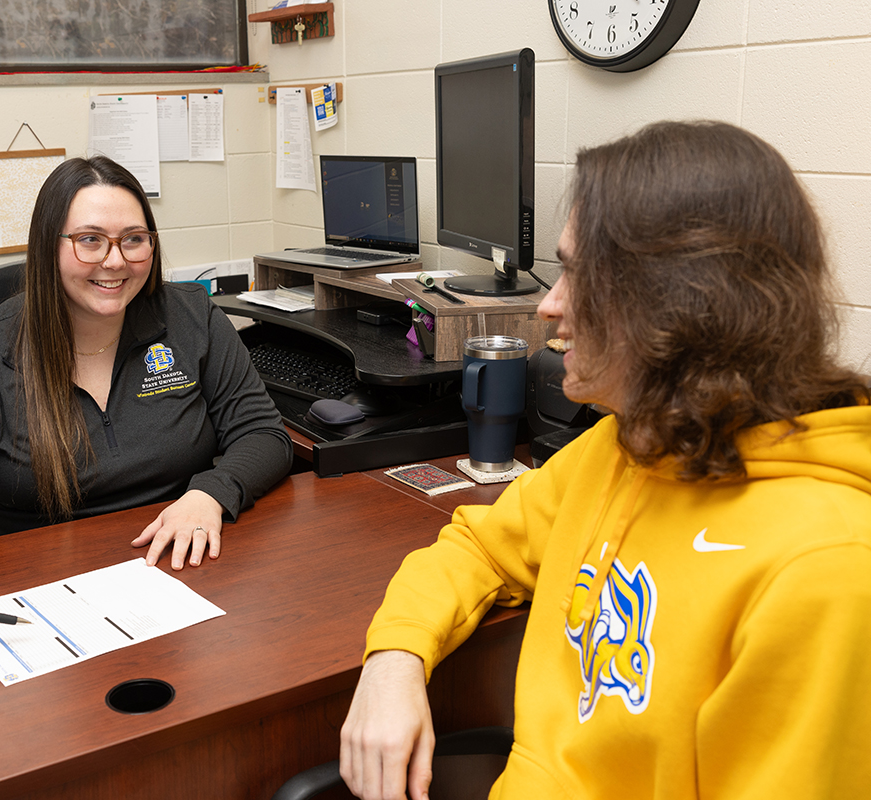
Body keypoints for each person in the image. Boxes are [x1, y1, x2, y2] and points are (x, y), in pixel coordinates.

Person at [340, 121, 871, 799]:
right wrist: (395, 657)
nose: (548, 304)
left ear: (676, 302)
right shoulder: (629, 443)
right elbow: (477, 547)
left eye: (576, 274)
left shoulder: (827, 569)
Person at [0, 155, 293, 651]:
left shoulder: (192, 320)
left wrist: (208, 494)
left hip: (177, 576)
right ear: (48, 248)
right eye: (89, 240)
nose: (115, 260)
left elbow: (263, 433)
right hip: (36, 605)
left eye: (133, 238)